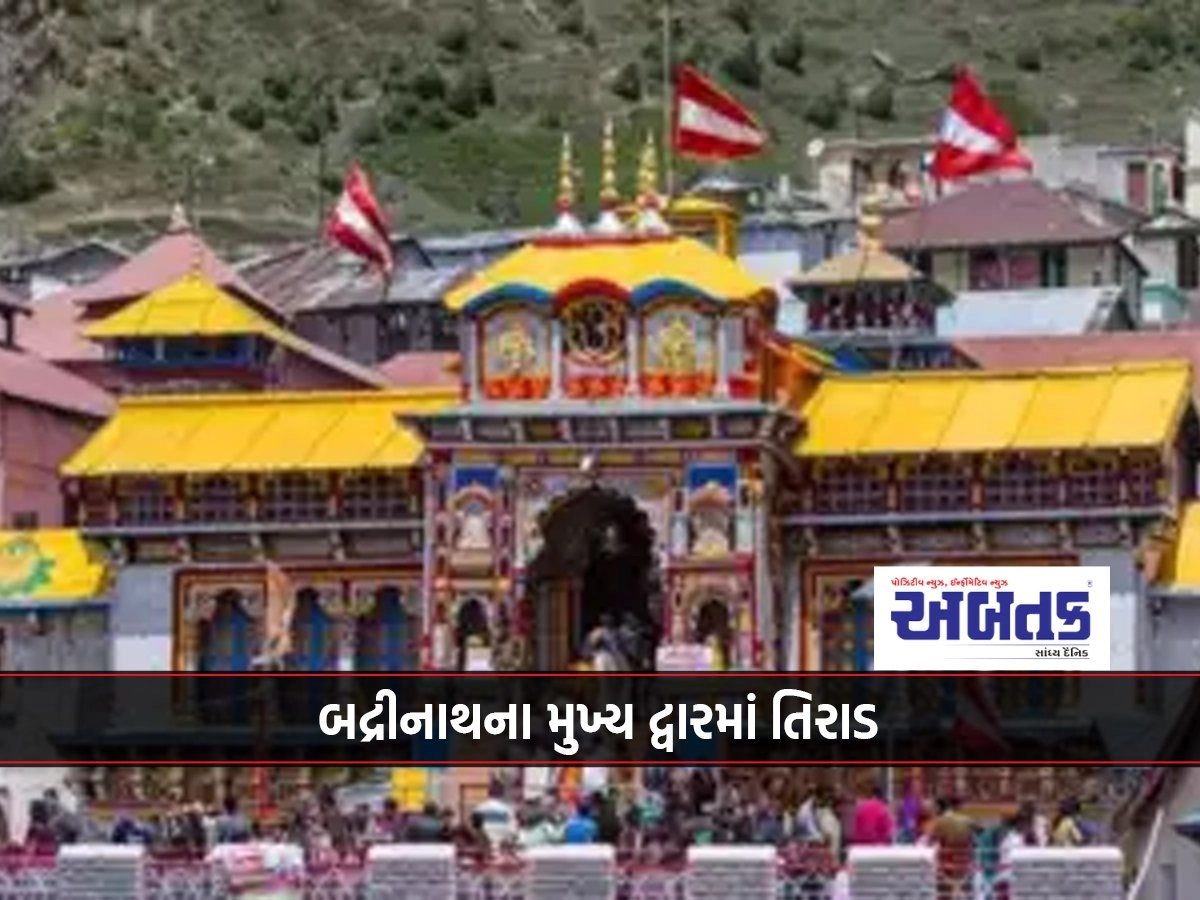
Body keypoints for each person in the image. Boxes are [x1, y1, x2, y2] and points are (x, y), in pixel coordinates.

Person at [929, 797, 974, 900]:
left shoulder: (941, 821)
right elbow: (974, 840)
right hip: (962, 864)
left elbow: (931, 840)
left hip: (947, 864)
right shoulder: (968, 821)